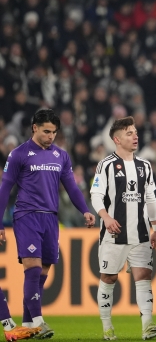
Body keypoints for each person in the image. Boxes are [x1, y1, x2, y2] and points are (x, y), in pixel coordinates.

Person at [0, 108, 96, 338]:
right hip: (27, 215)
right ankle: (39, 321)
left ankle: (27, 325)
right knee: (32, 269)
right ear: (34, 128)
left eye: (53, 132)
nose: (50, 136)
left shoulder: (61, 156)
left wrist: (84, 210)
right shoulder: (19, 154)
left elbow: (71, 186)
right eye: (46, 131)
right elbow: (5, 188)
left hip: (51, 218)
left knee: (42, 273)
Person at [90, 116, 156, 340]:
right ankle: (107, 328)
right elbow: (96, 195)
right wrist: (105, 217)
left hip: (141, 233)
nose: (135, 136)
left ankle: (148, 326)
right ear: (117, 139)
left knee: (144, 275)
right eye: (129, 133)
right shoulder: (105, 165)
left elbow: (150, 197)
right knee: (109, 278)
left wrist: (155, 227)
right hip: (114, 233)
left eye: (135, 132)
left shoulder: (144, 166)